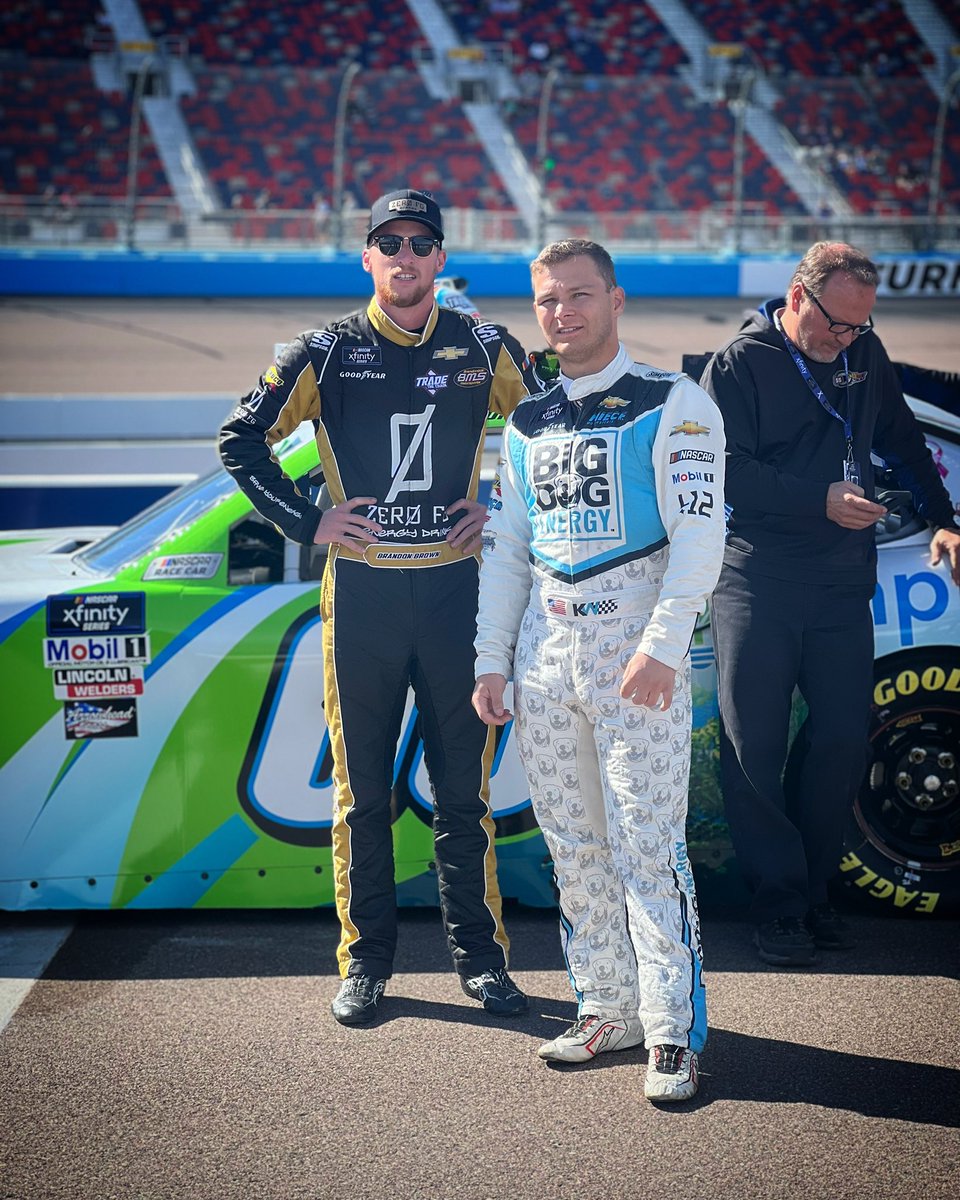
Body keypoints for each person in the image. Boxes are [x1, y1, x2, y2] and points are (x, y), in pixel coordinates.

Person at [220, 188, 539, 1024]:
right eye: (388, 243)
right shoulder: (320, 352)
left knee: (463, 797)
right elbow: (238, 439)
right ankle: (365, 965)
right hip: (360, 597)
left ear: (440, 258)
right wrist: (306, 519)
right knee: (363, 796)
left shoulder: (485, 343)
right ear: (367, 257)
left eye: (421, 243)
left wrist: (507, 512)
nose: (405, 256)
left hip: (456, 599)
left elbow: (558, 430)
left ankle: (481, 961)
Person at [472, 239, 726, 1103]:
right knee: (574, 849)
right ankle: (607, 1008)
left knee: (648, 850)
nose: (562, 313)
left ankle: (669, 1032)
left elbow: (700, 539)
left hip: (635, 661)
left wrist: (661, 646)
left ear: (616, 300)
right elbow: (508, 549)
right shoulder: (526, 420)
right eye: (547, 300)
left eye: (580, 296)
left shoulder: (675, 402)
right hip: (545, 667)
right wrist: (490, 660)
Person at [699, 242, 960, 968]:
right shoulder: (740, 364)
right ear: (796, 295)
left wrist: (945, 518)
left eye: (860, 327)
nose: (847, 339)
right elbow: (724, 471)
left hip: (845, 579)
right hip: (758, 577)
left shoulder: (864, 352)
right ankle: (778, 906)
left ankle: (814, 894)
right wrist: (816, 498)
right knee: (755, 747)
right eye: (837, 325)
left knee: (844, 740)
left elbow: (904, 439)